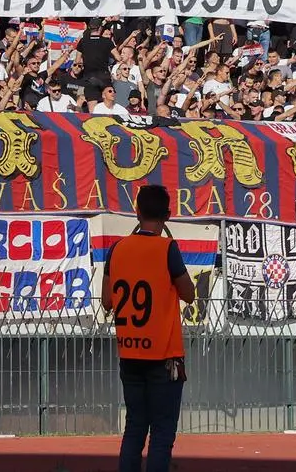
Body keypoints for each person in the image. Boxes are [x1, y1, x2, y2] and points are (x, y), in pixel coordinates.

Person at [102, 184, 195, 472]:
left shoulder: (117, 248)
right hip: (164, 357)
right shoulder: (167, 248)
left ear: (137, 211)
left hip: (129, 353)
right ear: (167, 215)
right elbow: (189, 293)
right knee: (162, 432)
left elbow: (107, 301)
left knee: (134, 428)